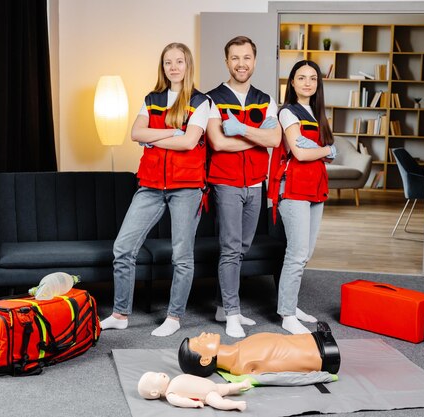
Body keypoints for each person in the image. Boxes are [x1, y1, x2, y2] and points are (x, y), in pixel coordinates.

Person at [100, 43, 210, 337]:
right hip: (150, 184)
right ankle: (121, 314)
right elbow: (136, 133)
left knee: (182, 256)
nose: (173, 67)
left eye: (179, 62)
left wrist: (155, 138)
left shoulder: (201, 102)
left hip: (186, 187)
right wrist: (172, 132)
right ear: (162, 67)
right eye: (167, 62)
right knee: (123, 248)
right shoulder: (152, 99)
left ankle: (174, 318)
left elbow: (190, 143)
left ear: (188, 65)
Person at [205, 35, 282, 338]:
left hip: (255, 183)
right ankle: (233, 313)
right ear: (227, 61)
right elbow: (218, 143)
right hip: (225, 183)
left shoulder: (266, 99)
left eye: (246, 57)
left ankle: (225, 306)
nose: (241, 64)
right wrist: (256, 134)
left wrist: (241, 130)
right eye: (235, 58)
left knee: (243, 247)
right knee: (230, 248)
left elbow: (275, 140)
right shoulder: (211, 98)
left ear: (254, 60)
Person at [268, 60, 336, 335]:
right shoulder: (287, 112)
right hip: (293, 188)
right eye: (301, 77)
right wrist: (327, 150)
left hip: (315, 188)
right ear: (292, 83)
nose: (307, 82)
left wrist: (319, 148)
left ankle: (291, 304)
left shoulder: (317, 113)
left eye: (313, 78)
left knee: (304, 254)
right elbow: (300, 153)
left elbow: (314, 151)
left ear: (317, 84)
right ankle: (286, 315)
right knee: (296, 254)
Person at [178, 321, 340, 377]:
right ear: (205, 359)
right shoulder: (245, 366)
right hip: (324, 353)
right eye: (200, 341)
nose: (203, 333)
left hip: (315, 339)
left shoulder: (240, 347)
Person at [137, 371, 251, 411]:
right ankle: (235, 405)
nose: (159, 374)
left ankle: (241, 384)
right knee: (219, 403)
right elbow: (181, 401)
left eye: (156, 372)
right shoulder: (170, 394)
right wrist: (194, 403)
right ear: (154, 392)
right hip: (207, 395)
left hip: (212, 386)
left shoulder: (175, 380)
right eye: (155, 377)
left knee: (227, 387)